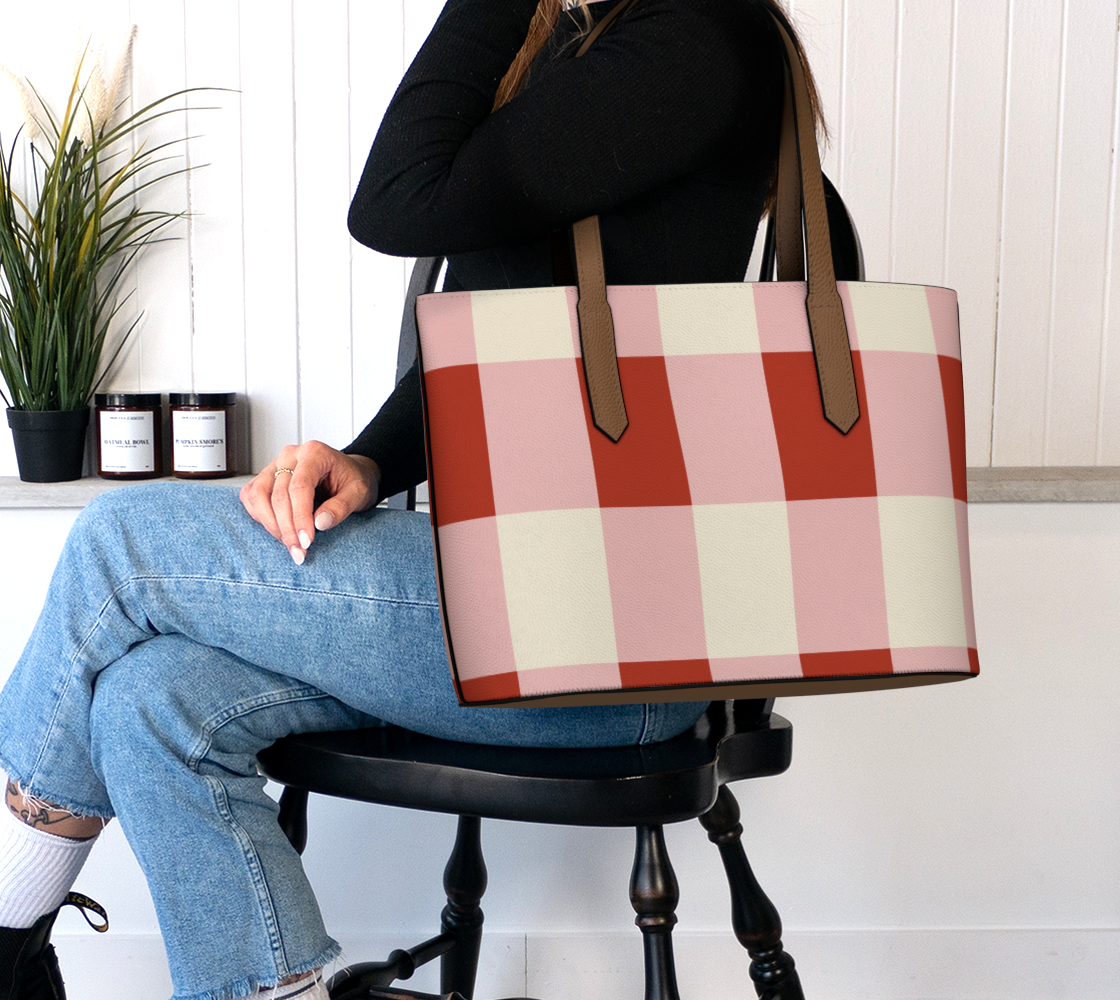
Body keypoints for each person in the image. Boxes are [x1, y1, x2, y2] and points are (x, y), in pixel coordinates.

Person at [0, 1, 828, 998]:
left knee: (119, 542)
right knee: (147, 698)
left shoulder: (696, 39)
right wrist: (369, 462)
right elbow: (513, 316)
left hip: (613, 640)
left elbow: (399, 197)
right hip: (519, 598)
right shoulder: (597, 42)